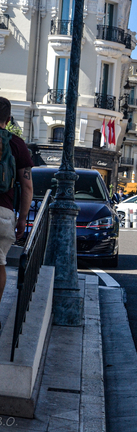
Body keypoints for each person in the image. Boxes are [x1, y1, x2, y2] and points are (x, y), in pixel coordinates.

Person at [0, 97, 34, 323]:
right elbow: (28, 185)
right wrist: (22, 219)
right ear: (9, 119)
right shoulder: (17, 144)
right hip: (3, 212)